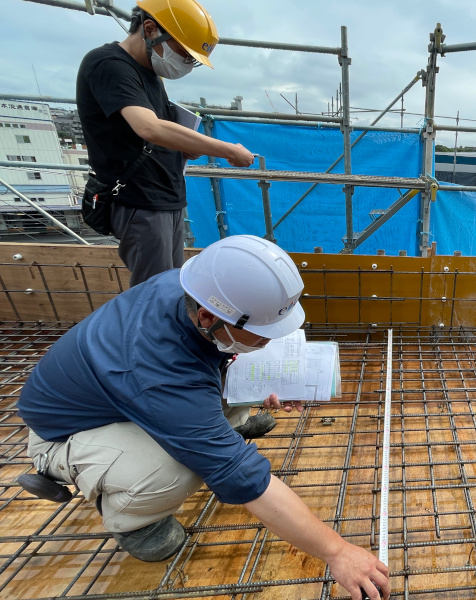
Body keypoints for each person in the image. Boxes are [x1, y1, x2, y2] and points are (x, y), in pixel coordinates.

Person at [16, 235, 389, 600]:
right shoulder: (158, 370)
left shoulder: (193, 290)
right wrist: (337, 551)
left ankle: (225, 426)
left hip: (126, 396)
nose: (269, 340)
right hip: (67, 434)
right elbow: (241, 475)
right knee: (186, 464)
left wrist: (269, 377)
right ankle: (134, 523)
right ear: (208, 316)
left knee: (239, 365)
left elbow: (209, 355)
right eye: (261, 332)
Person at [76, 0, 255, 287]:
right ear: (150, 29)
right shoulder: (108, 64)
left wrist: (184, 146)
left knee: (170, 285)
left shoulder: (148, 73)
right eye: (184, 54)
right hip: (139, 200)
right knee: (153, 292)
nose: (187, 64)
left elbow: (151, 130)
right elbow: (149, 127)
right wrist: (228, 151)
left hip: (163, 197)